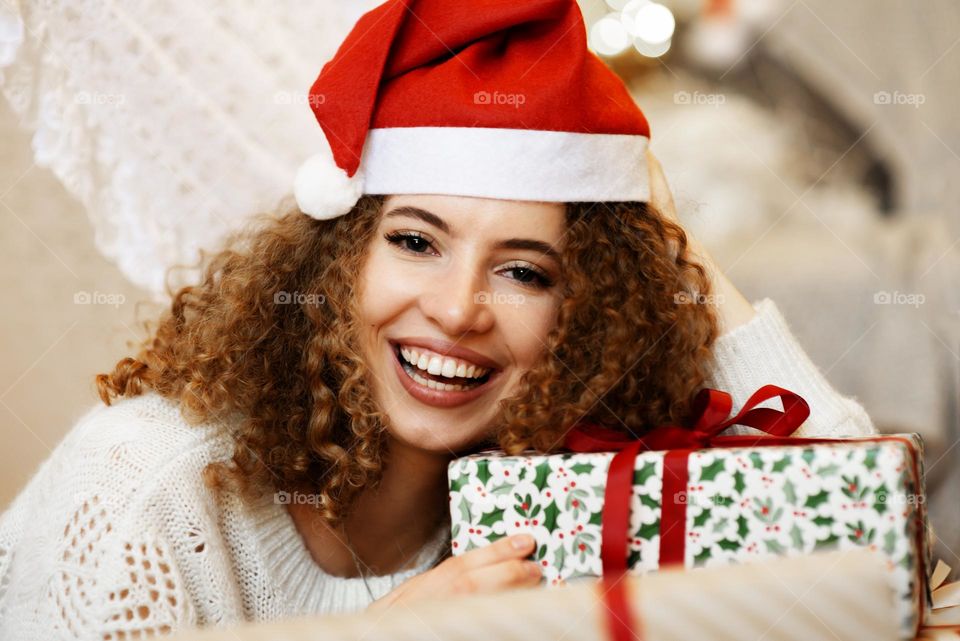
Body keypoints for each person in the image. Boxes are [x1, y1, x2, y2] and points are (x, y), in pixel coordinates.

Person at [0, 0, 876, 638]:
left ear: (586, 314)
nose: (459, 310)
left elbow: (872, 549)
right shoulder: (147, 486)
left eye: (526, 271)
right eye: (417, 242)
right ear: (334, 263)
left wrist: (672, 239)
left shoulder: (565, 501)